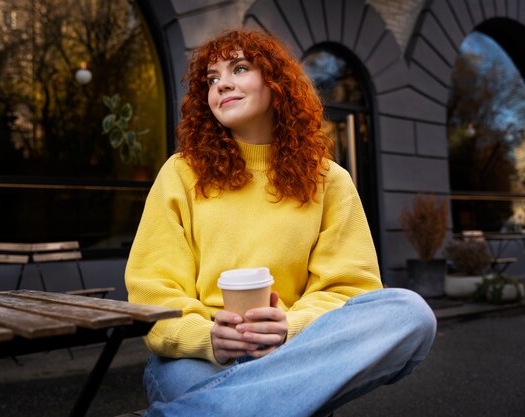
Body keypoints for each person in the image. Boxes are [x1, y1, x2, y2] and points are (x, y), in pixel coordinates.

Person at [125, 30, 436, 417]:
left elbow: (348, 292)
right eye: (212, 79)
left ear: (277, 83)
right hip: (198, 358)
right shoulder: (180, 173)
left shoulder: (330, 181)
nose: (222, 84)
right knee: (258, 399)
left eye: (239, 68)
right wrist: (208, 337)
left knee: (410, 314)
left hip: (294, 351)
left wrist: (290, 326)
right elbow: (152, 294)